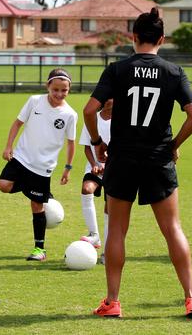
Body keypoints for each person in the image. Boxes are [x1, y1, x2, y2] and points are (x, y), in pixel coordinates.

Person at [84, 7, 192, 319]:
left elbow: (89, 110)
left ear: (133, 37)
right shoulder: (174, 71)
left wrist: (98, 143)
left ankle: (112, 302)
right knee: (172, 228)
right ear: (162, 39)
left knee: (117, 232)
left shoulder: (117, 69)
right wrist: (173, 146)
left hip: (122, 158)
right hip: (157, 159)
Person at [0, 68, 77, 261]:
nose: (59, 94)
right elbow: (17, 123)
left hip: (43, 166)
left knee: (36, 205)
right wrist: (9, 146)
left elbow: (71, 143)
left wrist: (67, 168)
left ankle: (39, 249)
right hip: (22, 156)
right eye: (55, 89)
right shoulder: (34, 101)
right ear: (47, 86)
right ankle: (39, 193)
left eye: (63, 90)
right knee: (3, 185)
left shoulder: (70, 114)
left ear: (69, 89)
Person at [78, 99, 112, 263]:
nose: (109, 100)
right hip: (95, 169)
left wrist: (110, 164)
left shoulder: (122, 120)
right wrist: (94, 165)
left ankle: (107, 252)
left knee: (110, 209)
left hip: (115, 170)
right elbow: (86, 146)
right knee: (86, 189)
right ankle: (94, 235)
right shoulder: (92, 118)